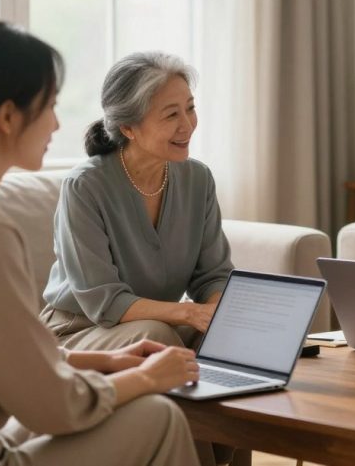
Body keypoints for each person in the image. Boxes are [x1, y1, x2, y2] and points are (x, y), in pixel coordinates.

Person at [0, 22, 199, 465]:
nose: (57, 122)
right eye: (49, 105)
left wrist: (105, 361)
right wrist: (147, 378)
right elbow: (53, 407)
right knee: (158, 418)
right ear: (8, 117)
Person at [41, 52, 233, 351]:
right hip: (80, 332)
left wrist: (218, 314)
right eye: (171, 115)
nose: (187, 125)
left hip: (161, 326)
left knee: (236, 338)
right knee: (155, 337)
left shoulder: (198, 179)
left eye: (190, 108)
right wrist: (188, 313)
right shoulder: (85, 186)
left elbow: (214, 276)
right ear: (128, 128)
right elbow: (104, 301)